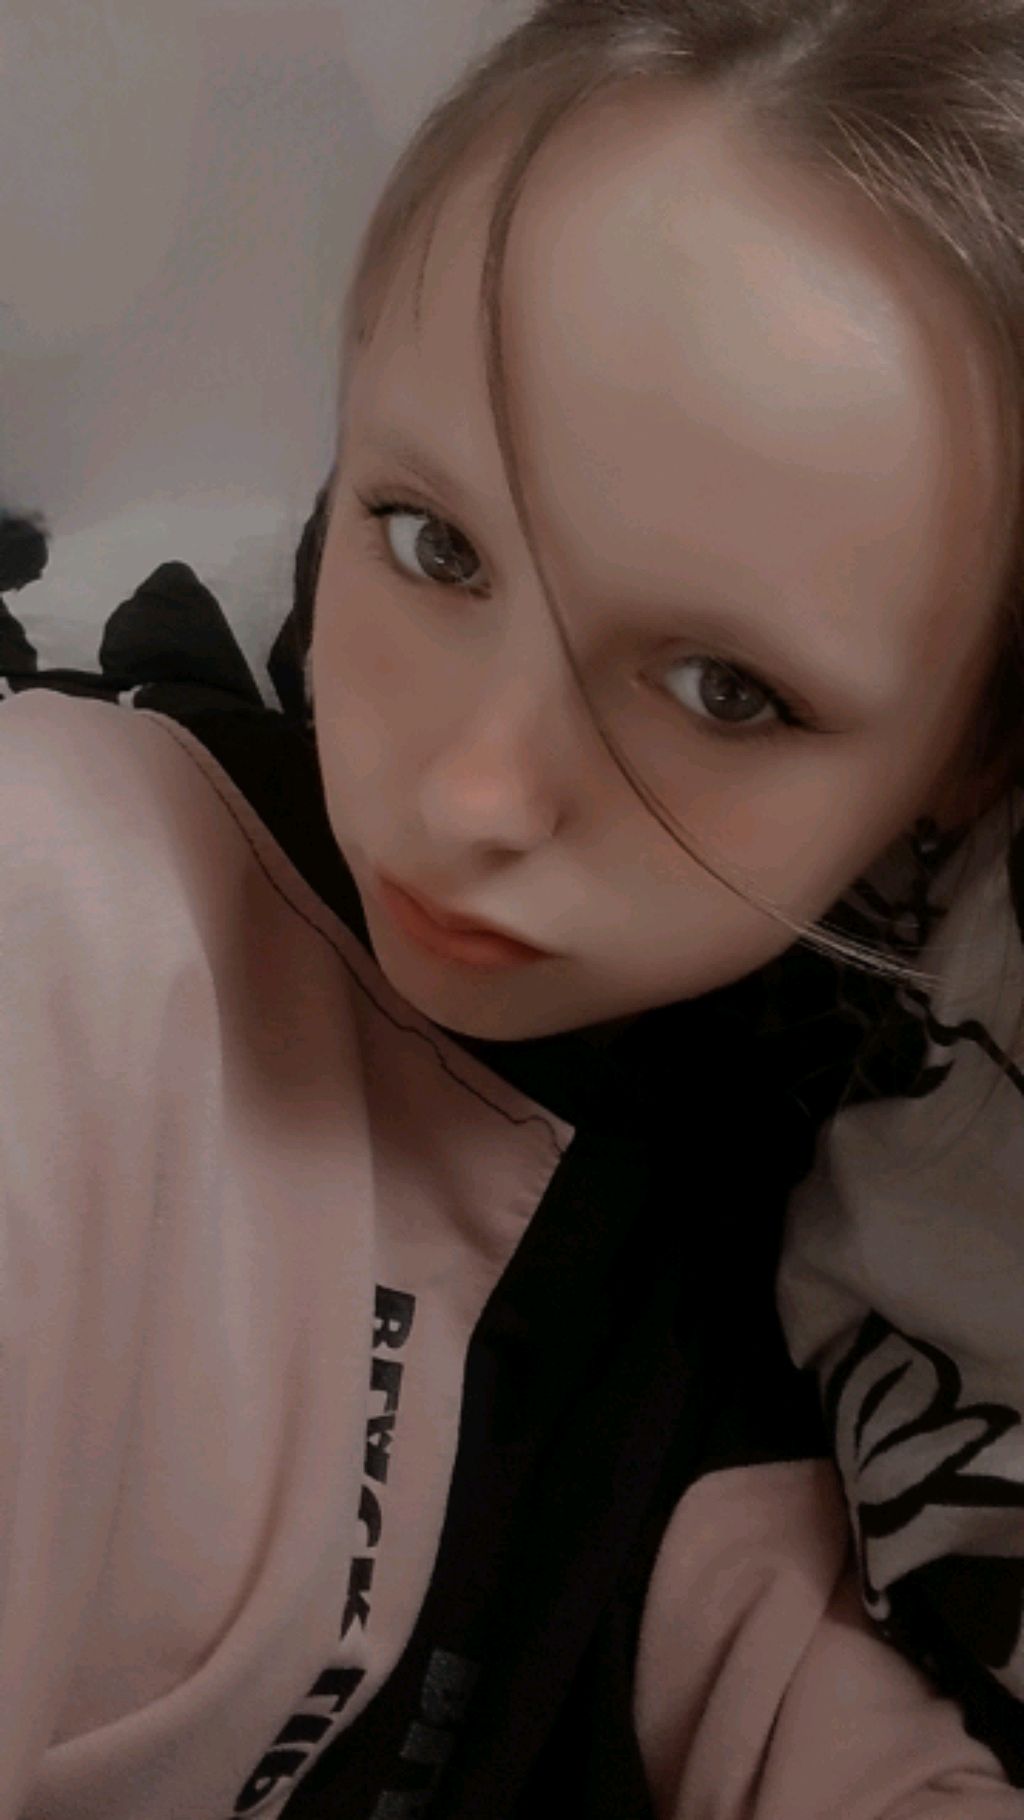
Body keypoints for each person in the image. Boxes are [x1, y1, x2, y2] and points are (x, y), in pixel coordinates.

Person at [2, 0, 1023, 1814]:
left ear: (973, 754)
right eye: (434, 541)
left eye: (723, 690)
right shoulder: (60, 917)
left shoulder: (780, 1285)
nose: (472, 795)